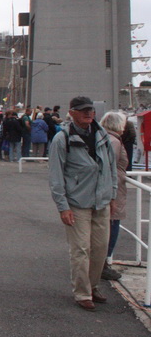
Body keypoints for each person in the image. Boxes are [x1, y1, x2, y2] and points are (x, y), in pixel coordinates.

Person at [48, 96, 117, 311]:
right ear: (72, 113)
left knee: (99, 248)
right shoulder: (62, 139)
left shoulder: (102, 135)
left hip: (101, 202)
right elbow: (56, 176)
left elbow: (111, 168)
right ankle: (82, 293)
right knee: (81, 249)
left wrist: (112, 195)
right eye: (83, 110)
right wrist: (63, 206)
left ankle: (93, 286)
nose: (88, 113)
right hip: (77, 203)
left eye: (90, 110)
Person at [100, 111, 129, 282]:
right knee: (111, 225)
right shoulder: (114, 142)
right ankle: (103, 263)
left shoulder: (104, 139)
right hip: (114, 190)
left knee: (107, 225)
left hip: (111, 188)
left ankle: (102, 262)